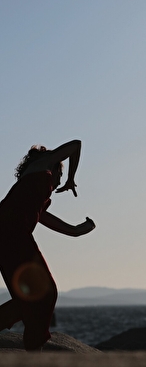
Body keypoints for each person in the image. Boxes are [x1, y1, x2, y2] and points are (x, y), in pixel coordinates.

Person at [0, 139, 96, 351]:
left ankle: (33, 346)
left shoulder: (35, 195)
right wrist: (72, 178)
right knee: (46, 292)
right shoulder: (41, 167)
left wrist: (79, 230)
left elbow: (51, 221)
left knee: (29, 298)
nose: (60, 181)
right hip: (11, 235)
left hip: (8, 238)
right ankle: (35, 349)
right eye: (60, 175)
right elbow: (76, 145)